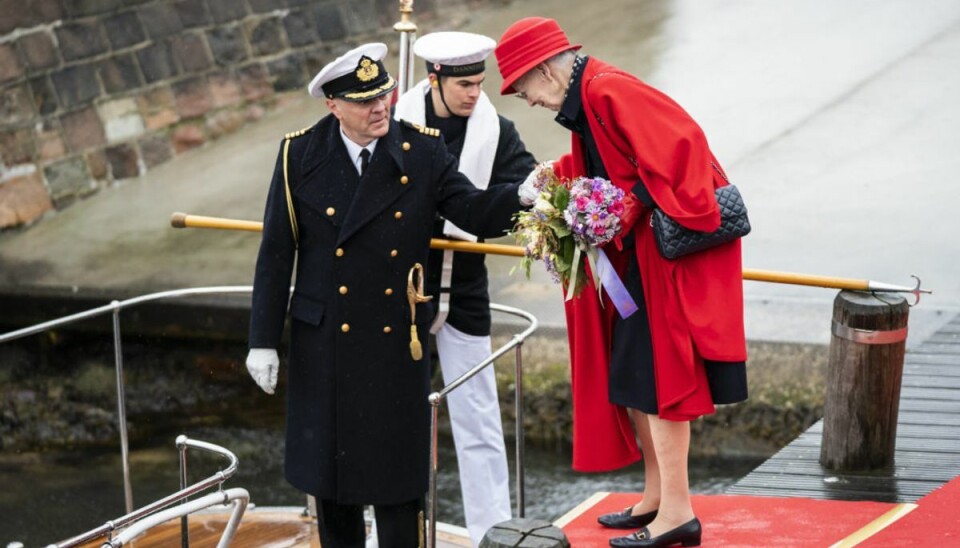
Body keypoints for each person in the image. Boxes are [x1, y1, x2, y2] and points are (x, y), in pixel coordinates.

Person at [244, 42, 535, 548]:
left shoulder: (420, 151)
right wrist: (262, 340)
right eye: (364, 101)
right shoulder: (299, 154)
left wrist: (523, 196)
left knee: (397, 485)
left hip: (395, 340)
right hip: (326, 341)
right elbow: (276, 253)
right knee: (333, 489)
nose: (380, 107)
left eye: (384, 95)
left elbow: (472, 211)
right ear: (333, 105)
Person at [495, 18, 748, 548]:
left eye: (524, 89)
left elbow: (682, 150)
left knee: (661, 382)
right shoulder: (588, 95)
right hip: (642, 259)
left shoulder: (608, 89)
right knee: (637, 377)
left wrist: (621, 208)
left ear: (544, 70)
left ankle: (678, 514)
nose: (529, 101)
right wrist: (557, 184)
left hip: (665, 261)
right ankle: (657, 496)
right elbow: (620, 165)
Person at [393, 31, 536, 546]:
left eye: (479, 83)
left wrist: (535, 195)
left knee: (477, 413)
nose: (475, 94)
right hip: (402, 286)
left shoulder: (498, 131)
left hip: (465, 286)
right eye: (464, 85)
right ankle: (392, 526)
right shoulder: (394, 124)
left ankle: (490, 532)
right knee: (394, 411)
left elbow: (523, 187)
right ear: (434, 78)